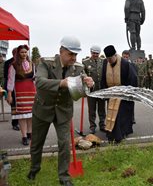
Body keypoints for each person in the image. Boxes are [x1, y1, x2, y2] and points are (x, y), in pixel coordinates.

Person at [27, 36, 95, 186]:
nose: (73, 57)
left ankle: (64, 177)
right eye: (70, 54)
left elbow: (81, 90)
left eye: (75, 54)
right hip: (43, 109)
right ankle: (34, 168)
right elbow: (39, 82)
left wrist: (89, 84)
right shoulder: (46, 63)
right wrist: (61, 83)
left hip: (63, 111)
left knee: (65, 144)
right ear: (61, 51)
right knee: (37, 143)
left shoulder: (78, 68)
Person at [101, 45, 137, 143]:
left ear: (115, 55)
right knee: (111, 114)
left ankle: (121, 134)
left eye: (110, 58)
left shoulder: (125, 63)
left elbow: (132, 78)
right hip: (111, 94)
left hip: (122, 94)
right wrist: (105, 93)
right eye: (107, 59)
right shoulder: (105, 63)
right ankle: (111, 133)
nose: (109, 61)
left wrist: (127, 92)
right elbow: (103, 78)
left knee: (122, 115)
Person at [6, 45, 36, 145]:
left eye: (25, 52)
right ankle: (23, 136)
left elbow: (35, 79)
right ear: (18, 53)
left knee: (30, 115)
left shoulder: (32, 64)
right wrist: (9, 94)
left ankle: (30, 133)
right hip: (19, 92)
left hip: (31, 92)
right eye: (22, 52)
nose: (24, 54)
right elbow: (10, 81)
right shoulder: (13, 65)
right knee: (22, 115)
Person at [82, 45, 106, 134]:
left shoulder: (103, 61)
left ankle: (102, 124)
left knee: (102, 109)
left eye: (97, 53)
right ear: (91, 52)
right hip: (91, 91)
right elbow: (82, 74)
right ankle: (92, 126)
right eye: (94, 53)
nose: (95, 55)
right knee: (92, 110)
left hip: (101, 90)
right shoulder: (85, 62)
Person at [4, 48, 19, 131]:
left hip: (20, 87)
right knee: (13, 106)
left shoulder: (23, 62)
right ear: (14, 54)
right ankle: (15, 123)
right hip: (12, 87)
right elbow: (6, 76)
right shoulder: (8, 63)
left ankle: (21, 121)